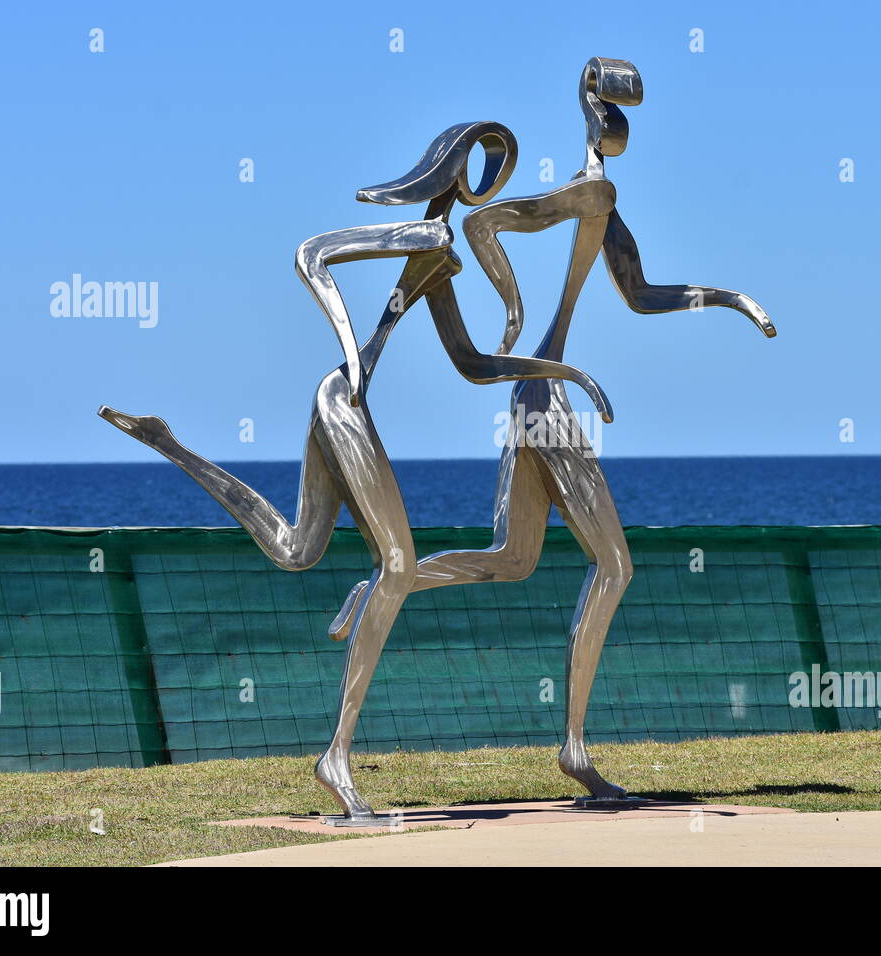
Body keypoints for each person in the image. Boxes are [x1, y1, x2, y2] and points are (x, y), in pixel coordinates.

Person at [97, 121, 611, 822]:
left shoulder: (442, 252)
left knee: (296, 549)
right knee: (398, 568)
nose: (484, 185)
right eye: (480, 168)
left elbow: (470, 364)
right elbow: (313, 256)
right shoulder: (422, 236)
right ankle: (336, 756)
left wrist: (561, 371)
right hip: (344, 403)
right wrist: (348, 341)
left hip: (338, 401)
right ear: (451, 173)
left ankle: (172, 445)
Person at [334, 58, 776, 802]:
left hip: (537, 400)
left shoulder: (603, 199)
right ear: (600, 118)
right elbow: (484, 222)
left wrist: (729, 299)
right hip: (548, 404)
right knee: (616, 566)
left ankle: (383, 583)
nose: (618, 128)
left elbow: (641, 295)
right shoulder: (589, 188)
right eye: (613, 114)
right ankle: (573, 747)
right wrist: (508, 304)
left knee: (513, 558)